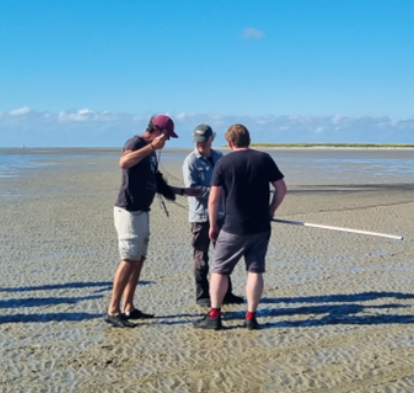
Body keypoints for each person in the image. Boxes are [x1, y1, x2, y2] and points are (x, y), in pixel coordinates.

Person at [105, 115, 200, 328]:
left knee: (139, 259)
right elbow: (124, 162)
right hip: (128, 210)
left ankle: (129, 307)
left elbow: (156, 182)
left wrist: (183, 191)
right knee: (128, 259)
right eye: (167, 135)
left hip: (143, 210)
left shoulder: (151, 153)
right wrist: (151, 148)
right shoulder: (136, 143)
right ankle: (113, 310)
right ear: (157, 130)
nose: (167, 140)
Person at [194, 124, 287, 331]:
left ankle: (215, 315)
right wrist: (271, 210)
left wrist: (212, 225)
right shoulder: (263, 158)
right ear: (248, 140)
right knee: (255, 270)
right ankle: (251, 317)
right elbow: (281, 188)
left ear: (229, 143)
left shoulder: (224, 162)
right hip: (260, 226)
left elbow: (213, 199)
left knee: (219, 270)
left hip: (233, 227)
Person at [183, 124, 244, 308]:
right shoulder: (191, 161)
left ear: (212, 139)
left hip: (222, 215)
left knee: (224, 255)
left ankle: (226, 293)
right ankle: (202, 294)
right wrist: (217, 192)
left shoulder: (219, 157)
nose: (200, 144)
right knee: (201, 257)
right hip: (200, 217)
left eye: (204, 141)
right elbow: (192, 189)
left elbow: (228, 180)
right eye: (197, 141)